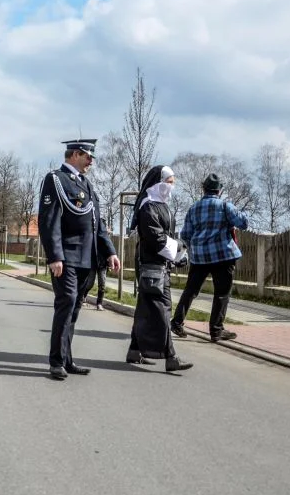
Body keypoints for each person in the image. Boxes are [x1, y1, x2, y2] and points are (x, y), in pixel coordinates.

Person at [38, 139, 120, 381]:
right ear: (75, 154)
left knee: (74, 309)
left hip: (88, 258)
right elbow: (48, 219)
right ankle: (55, 362)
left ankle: (67, 359)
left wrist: (111, 251)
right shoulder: (56, 179)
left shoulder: (86, 184)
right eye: (88, 156)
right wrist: (54, 256)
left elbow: (98, 224)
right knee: (66, 304)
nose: (91, 161)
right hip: (67, 256)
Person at [126, 165, 193, 372]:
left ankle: (134, 350)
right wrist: (179, 252)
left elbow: (167, 236)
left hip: (160, 265)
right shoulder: (148, 207)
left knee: (147, 307)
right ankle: (171, 357)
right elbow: (156, 238)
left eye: (172, 183)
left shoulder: (161, 205)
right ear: (158, 182)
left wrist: (177, 257)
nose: (171, 187)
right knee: (162, 309)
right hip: (151, 265)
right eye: (169, 182)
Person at [171, 173, 249, 343]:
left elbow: (185, 234)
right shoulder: (225, 206)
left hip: (199, 257)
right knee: (221, 293)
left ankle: (177, 322)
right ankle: (216, 330)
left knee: (191, 290)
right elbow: (243, 222)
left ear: (203, 189)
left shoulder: (193, 208)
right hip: (223, 256)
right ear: (219, 190)